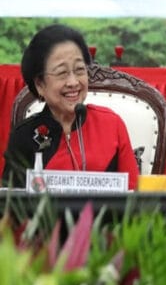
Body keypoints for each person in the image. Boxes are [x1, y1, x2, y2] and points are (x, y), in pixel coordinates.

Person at [2, 24, 139, 189]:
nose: (74, 82)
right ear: (40, 84)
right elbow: (12, 208)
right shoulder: (25, 135)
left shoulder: (111, 125)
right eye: (62, 73)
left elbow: (134, 199)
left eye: (80, 70)